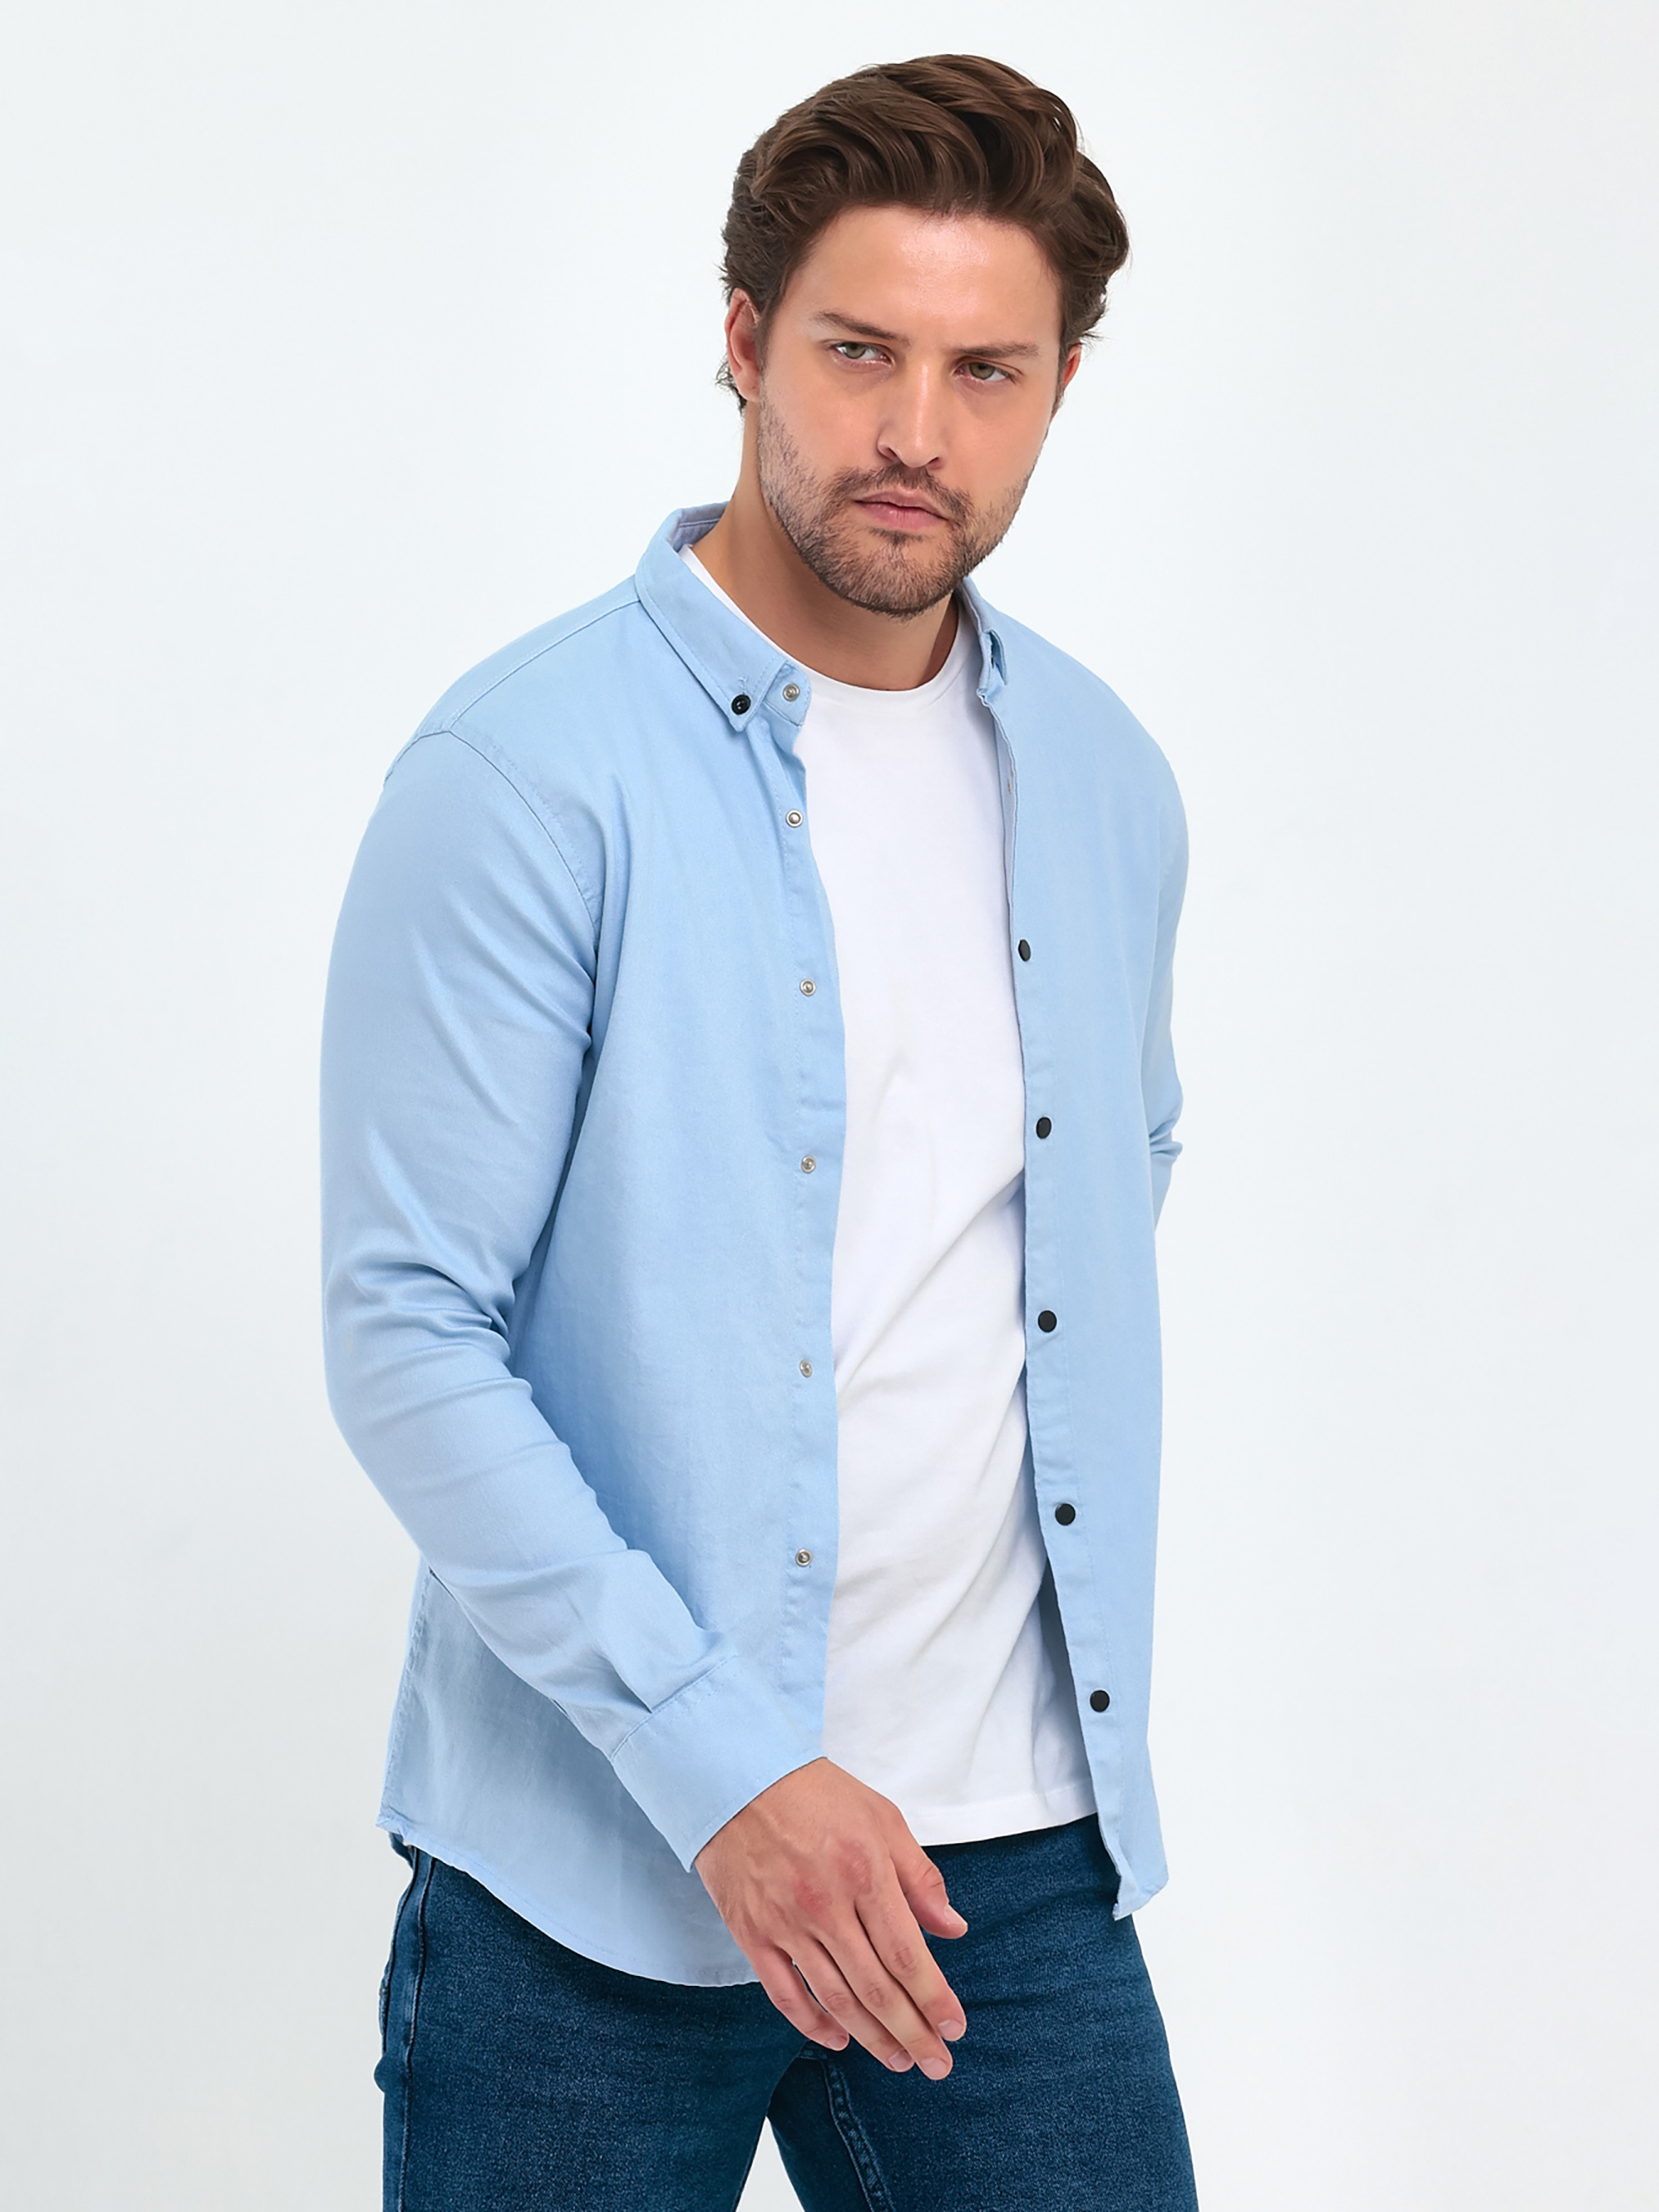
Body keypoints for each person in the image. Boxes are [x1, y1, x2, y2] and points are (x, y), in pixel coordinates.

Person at [322, 52, 1198, 2212]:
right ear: (742, 341)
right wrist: (724, 1766)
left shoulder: (1102, 778)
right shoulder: (527, 774)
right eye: (858, 352)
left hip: (1007, 1858)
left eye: (987, 370)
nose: (918, 432)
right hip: (594, 1877)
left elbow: (1102, 1196)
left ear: (1061, 386)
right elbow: (408, 1330)